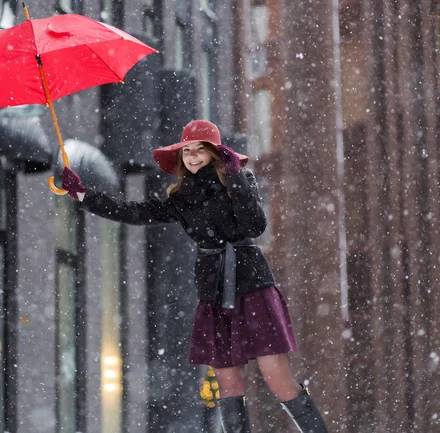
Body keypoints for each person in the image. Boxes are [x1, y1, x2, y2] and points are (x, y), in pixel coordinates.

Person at [60, 119, 328, 433]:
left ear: (215, 153)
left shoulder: (241, 181)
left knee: (277, 377)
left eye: (200, 149)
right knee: (228, 384)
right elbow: (135, 211)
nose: (193, 155)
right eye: (187, 150)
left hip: (252, 285)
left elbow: (254, 226)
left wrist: (235, 177)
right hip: (215, 293)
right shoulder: (182, 197)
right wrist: (83, 196)